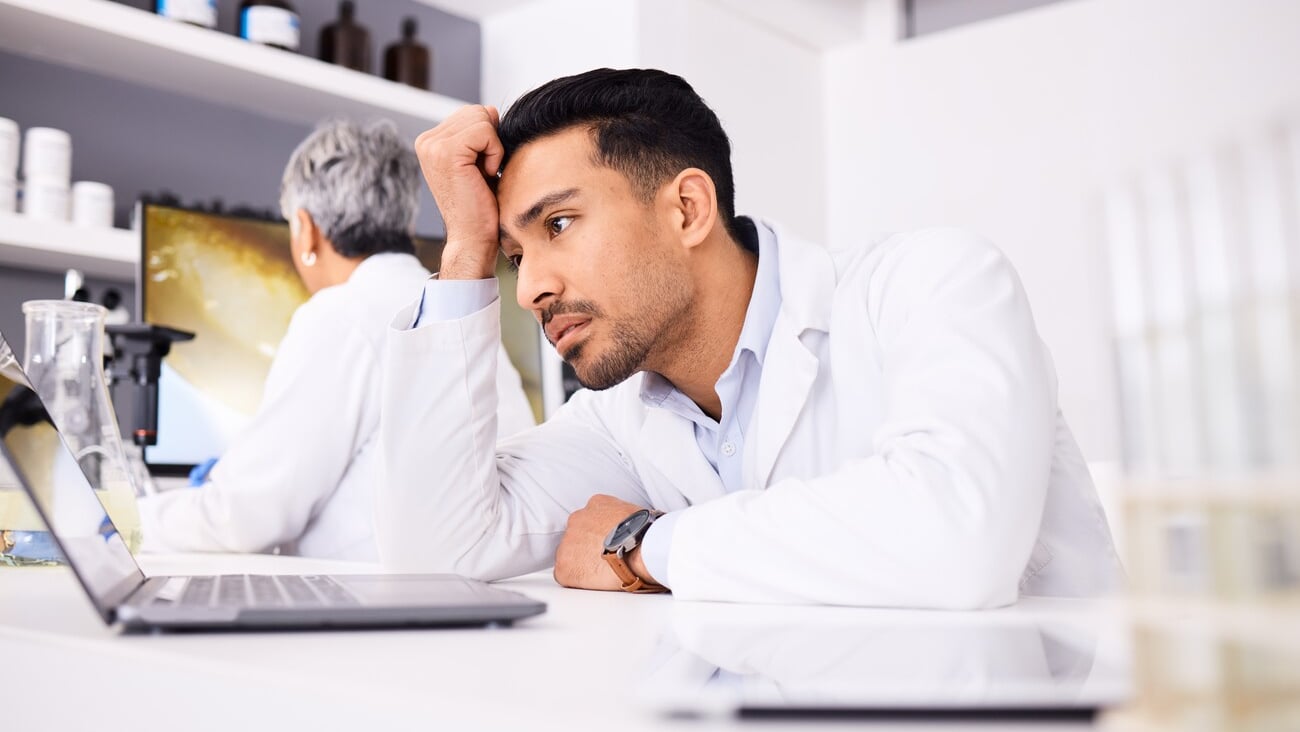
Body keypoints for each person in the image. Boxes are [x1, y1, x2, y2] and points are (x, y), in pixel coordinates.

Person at [378, 69, 1122, 607]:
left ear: (689, 209)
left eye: (559, 225)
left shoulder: (932, 281)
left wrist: (644, 543)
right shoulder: (621, 419)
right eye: (514, 257)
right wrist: (464, 254)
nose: (530, 287)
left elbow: (959, 544)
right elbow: (436, 554)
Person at [137, 120, 535, 561]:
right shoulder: (453, 307)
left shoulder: (342, 312)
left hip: (386, 601)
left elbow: (246, 518)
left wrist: (128, 522)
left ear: (305, 231)